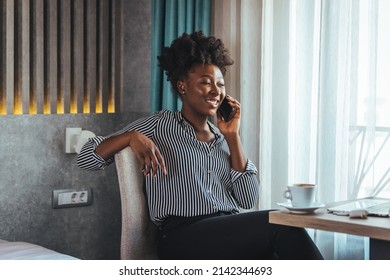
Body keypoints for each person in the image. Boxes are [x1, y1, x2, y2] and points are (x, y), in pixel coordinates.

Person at [77, 31, 323, 260]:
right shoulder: (159, 125)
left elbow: (248, 198)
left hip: (225, 230)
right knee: (282, 224)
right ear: (182, 86)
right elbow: (86, 157)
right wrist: (130, 136)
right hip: (182, 237)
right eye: (206, 82)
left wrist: (233, 136)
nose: (216, 91)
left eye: (220, 84)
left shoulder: (222, 137)